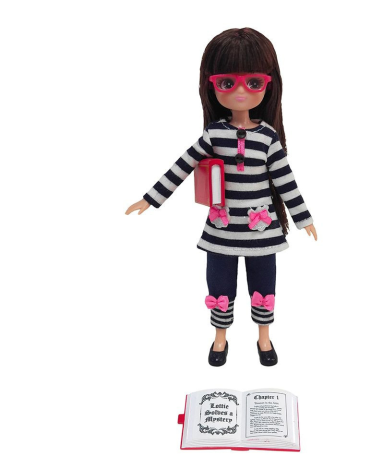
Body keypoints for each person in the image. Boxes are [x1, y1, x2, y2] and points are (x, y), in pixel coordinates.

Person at [126, 28, 317, 367]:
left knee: (264, 284)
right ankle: (220, 337)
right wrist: (151, 198)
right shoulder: (214, 134)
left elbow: (285, 180)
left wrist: (303, 219)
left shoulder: (268, 138)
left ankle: (264, 337)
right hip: (221, 228)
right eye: (228, 83)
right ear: (211, 85)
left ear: (269, 84)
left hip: (261, 230)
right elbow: (183, 165)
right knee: (219, 285)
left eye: (253, 82)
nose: (241, 92)